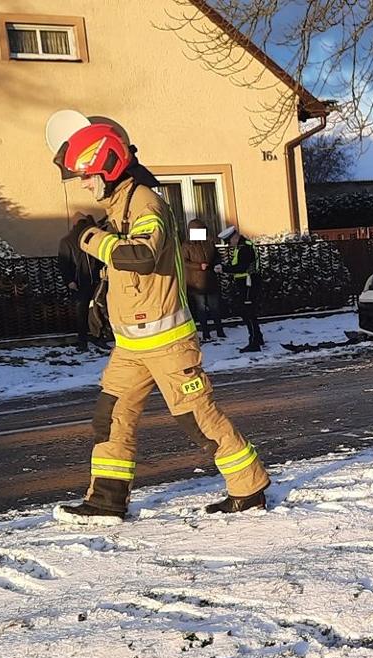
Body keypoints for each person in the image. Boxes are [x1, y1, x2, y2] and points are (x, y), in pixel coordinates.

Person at [49, 115, 271, 521]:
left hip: (167, 342)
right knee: (111, 418)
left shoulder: (146, 202)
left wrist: (88, 237)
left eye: (86, 175)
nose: (83, 184)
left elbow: (142, 256)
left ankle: (250, 487)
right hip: (132, 345)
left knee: (197, 418)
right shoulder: (120, 206)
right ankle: (106, 501)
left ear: (108, 167)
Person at [218, 223, 264, 353]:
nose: (229, 245)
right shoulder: (243, 246)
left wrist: (224, 269)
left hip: (248, 283)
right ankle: (258, 337)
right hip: (247, 282)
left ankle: (254, 342)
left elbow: (242, 267)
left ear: (235, 237)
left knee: (249, 313)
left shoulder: (244, 248)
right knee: (249, 312)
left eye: (229, 242)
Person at [182, 219, 228, 342]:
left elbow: (217, 256)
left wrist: (217, 263)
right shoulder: (187, 245)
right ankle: (206, 332)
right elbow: (184, 262)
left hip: (210, 279)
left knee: (215, 307)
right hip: (196, 282)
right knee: (201, 308)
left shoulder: (209, 242)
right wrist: (198, 266)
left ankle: (219, 330)